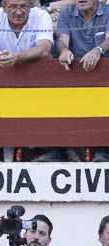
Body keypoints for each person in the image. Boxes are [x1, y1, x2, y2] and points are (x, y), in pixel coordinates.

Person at [56, 0, 108, 162]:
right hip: (74, 76)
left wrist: (98, 50)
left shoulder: (108, 11)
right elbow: (62, 40)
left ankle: (103, 150)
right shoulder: (66, 13)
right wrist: (64, 50)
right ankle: (69, 150)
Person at [0, 0, 53, 69]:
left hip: (36, 70)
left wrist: (15, 57)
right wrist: (2, 57)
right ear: (4, 7)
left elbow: (44, 49)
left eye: (23, 6)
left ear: (30, 7)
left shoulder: (41, 16)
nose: (19, 12)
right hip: (0, 71)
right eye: (13, 6)